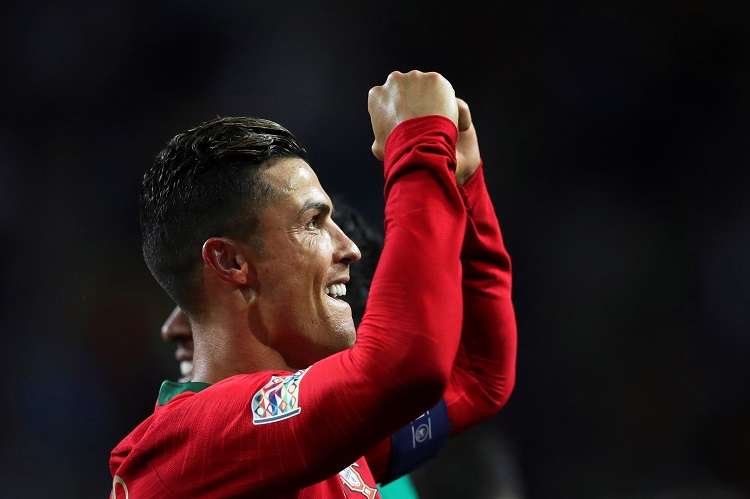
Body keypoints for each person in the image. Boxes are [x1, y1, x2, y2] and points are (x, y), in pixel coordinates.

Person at [110, 70, 517, 497]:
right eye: (312, 223)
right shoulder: (196, 441)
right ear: (230, 261)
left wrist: (463, 185)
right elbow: (405, 366)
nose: (349, 248)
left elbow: (476, 375)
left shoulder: (312, 443)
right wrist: (418, 145)